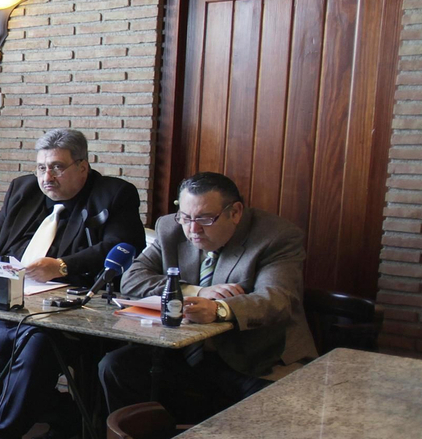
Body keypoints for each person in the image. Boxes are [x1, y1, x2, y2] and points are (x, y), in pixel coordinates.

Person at [0, 128, 145, 439]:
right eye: (41, 167)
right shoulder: (23, 189)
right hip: (13, 300)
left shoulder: (114, 195)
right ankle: (69, 416)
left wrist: (62, 266)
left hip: (68, 310)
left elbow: (123, 245)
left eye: (58, 167)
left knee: (34, 352)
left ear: (82, 167)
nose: (48, 176)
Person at [99, 171, 316, 419]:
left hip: (256, 358)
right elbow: (132, 280)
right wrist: (197, 291)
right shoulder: (172, 228)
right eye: (186, 217)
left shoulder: (275, 236)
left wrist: (218, 309)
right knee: (116, 366)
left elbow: (276, 300)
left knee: (271, 406)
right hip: (182, 351)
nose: (193, 229)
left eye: (205, 218)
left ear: (234, 212)